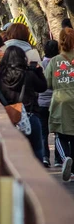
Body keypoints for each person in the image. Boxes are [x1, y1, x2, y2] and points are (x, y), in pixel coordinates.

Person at [0, 46, 47, 162]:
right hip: (30, 116)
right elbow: (42, 87)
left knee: (11, 156)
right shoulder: (28, 75)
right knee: (36, 151)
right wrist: (38, 71)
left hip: (8, 120)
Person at [44, 27, 74, 181]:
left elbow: (47, 83)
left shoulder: (55, 61)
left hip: (60, 100)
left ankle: (65, 158)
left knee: (59, 134)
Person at [38, 40, 60, 167]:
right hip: (56, 102)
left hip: (42, 102)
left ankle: (45, 157)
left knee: (43, 132)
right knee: (57, 131)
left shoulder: (40, 65)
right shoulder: (59, 64)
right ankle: (58, 159)